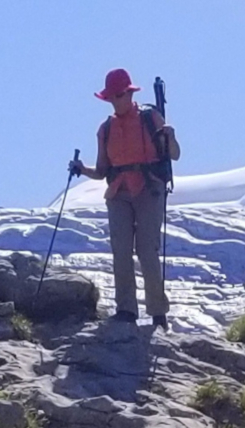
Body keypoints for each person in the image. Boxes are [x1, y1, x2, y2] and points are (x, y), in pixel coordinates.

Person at [74, 67, 178, 330]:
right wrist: (81, 169)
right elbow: (102, 171)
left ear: (129, 93)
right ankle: (126, 311)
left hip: (149, 189)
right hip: (118, 192)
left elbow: (174, 155)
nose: (116, 100)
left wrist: (171, 136)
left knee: (146, 250)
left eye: (119, 95)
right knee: (120, 250)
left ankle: (157, 312)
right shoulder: (105, 129)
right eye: (112, 96)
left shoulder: (150, 118)